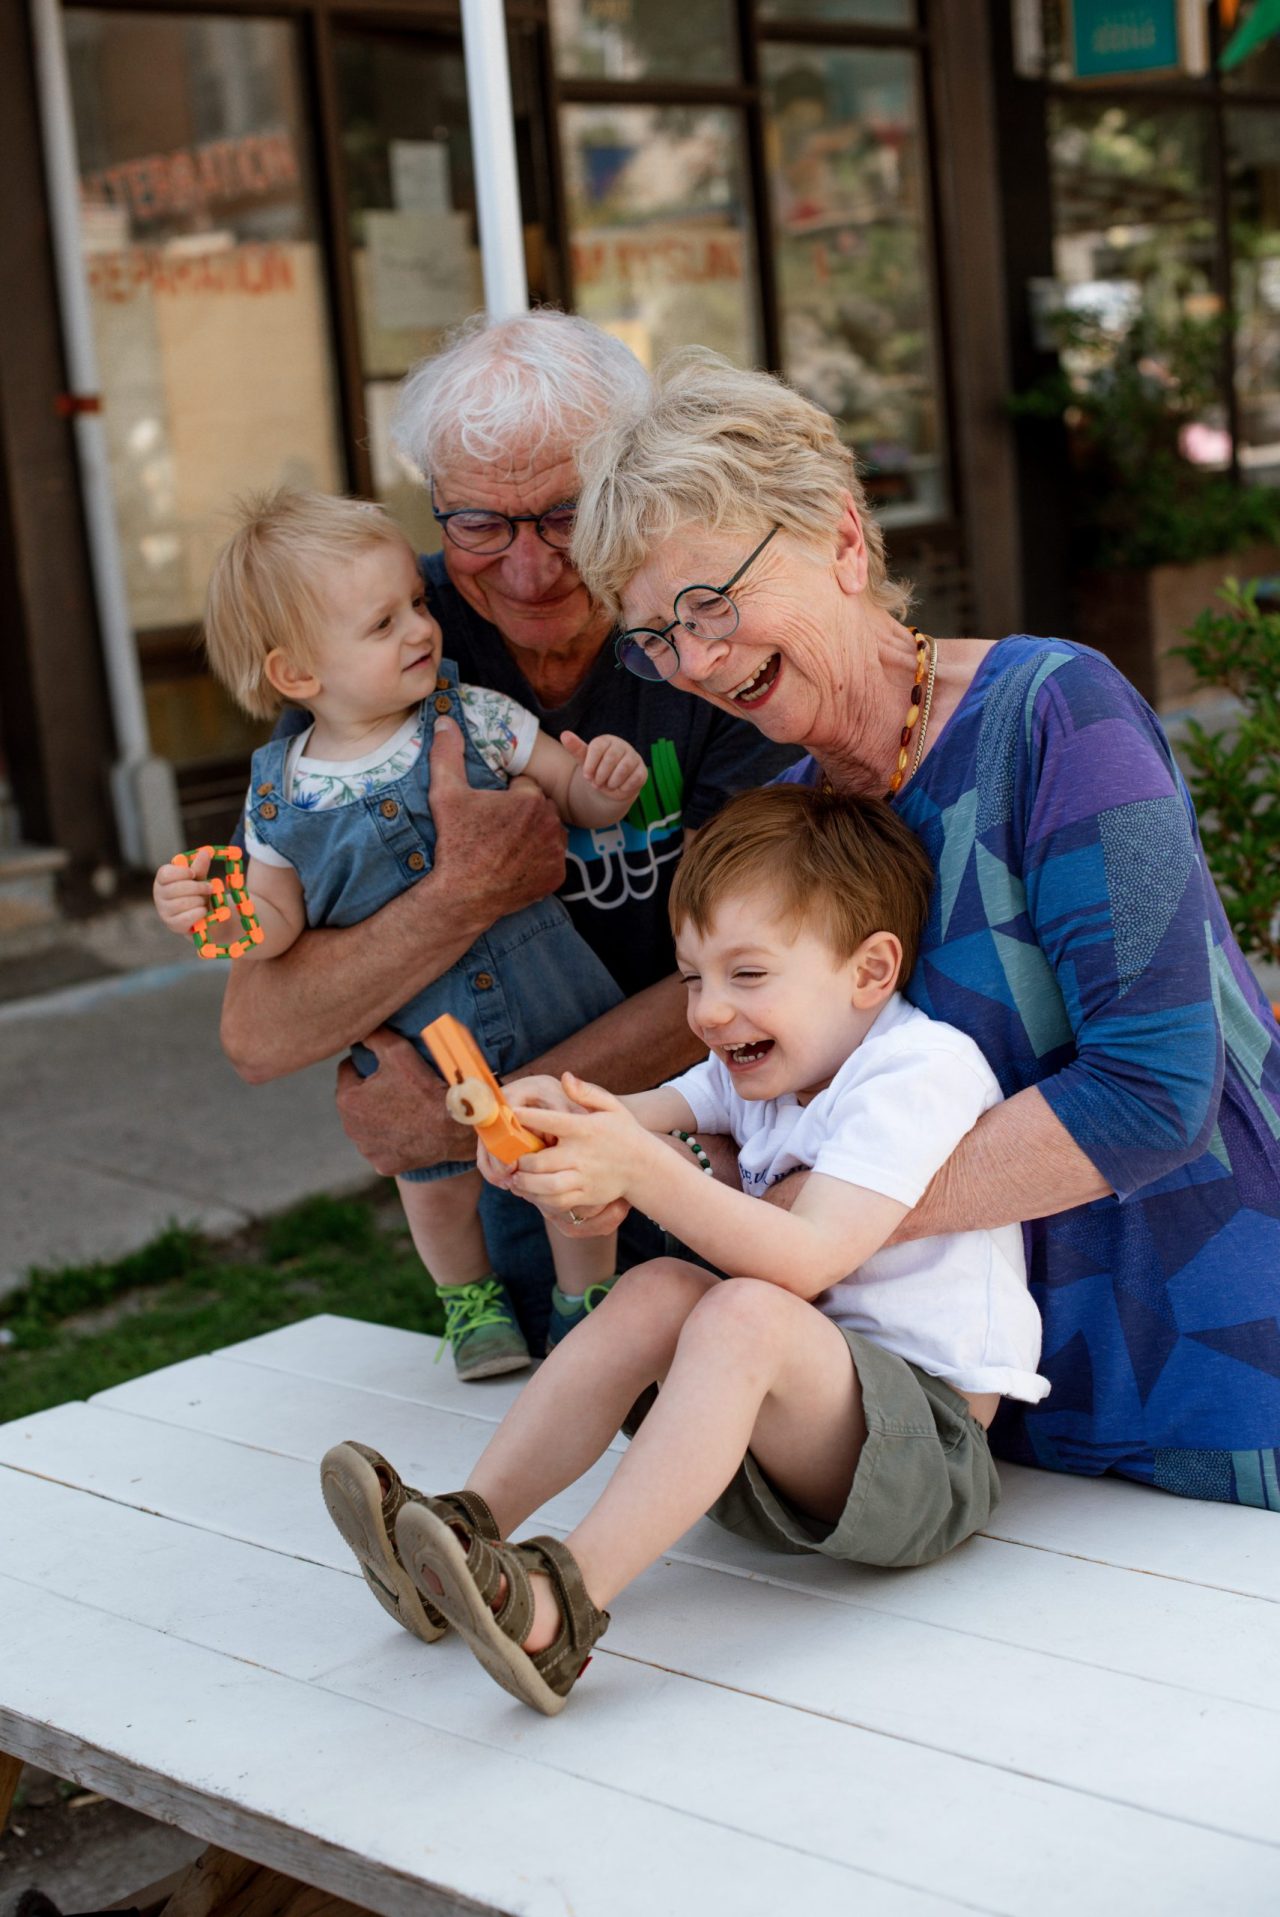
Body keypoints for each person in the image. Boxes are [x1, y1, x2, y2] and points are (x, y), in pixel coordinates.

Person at [558, 349, 1280, 1509]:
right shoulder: (789, 824)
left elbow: (1154, 1088)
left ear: (844, 542)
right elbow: (783, 1103)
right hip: (987, 1417)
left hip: (1216, 1371)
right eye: (653, 638)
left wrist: (803, 1219)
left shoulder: (1053, 711)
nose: (692, 662)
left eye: (710, 604)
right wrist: (639, 1157)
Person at [319, 784, 1048, 1714]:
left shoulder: (917, 1071)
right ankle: (463, 1537)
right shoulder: (760, 1060)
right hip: (774, 1445)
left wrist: (649, 1173)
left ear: (869, 972)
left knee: (743, 1306)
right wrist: (541, 1124)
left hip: (924, 1456)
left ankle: (561, 1608)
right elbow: (626, 1116)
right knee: (664, 1283)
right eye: (693, 976)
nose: (708, 1011)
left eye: (747, 975)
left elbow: (808, 1257)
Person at [218, 314, 799, 1351]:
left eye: (568, 515)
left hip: (730, 1173)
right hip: (522, 1212)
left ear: (631, 481)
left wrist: (470, 1113)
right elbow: (261, 1034)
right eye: (480, 523)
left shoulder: (707, 627)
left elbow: (768, 964)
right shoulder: (379, 645)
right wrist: (464, 893)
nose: (526, 571)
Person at [154, 489, 650, 1377]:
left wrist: (605, 784)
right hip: (421, 1036)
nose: (421, 628)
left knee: (573, 1161)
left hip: (551, 998)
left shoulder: (475, 715)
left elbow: (571, 794)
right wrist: (213, 916)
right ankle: (471, 1302)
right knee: (433, 1183)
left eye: (416, 605)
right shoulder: (279, 792)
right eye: (383, 622)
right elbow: (274, 925)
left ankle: (588, 1300)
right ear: (298, 676)